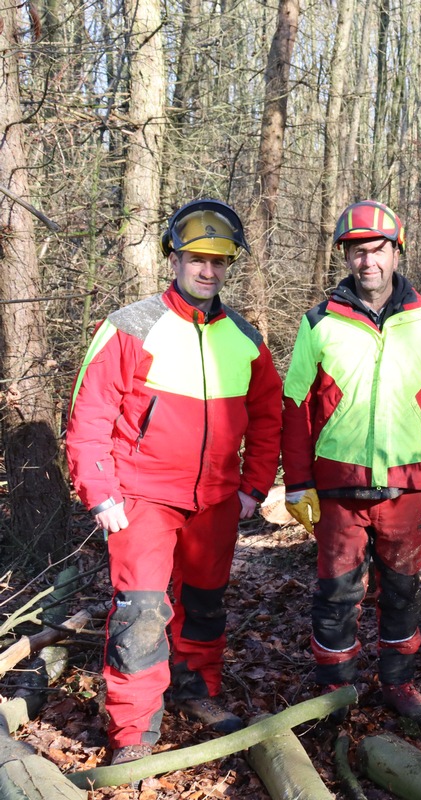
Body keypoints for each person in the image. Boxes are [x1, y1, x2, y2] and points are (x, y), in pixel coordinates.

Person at [65, 199, 282, 765]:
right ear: (175, 258)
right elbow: (89, 414)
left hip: (216, 500)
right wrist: (100, 489)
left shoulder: (245, 337)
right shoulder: (130, 326)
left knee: (205, 604)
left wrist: (254, 486)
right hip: (140, 497)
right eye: (196, 259)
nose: (207, 271)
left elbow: (268, 417)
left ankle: (195, 688)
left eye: (218, 261)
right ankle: (133, 732)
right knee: (140, 609)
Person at [281, 200, 421, 724]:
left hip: (406, 487)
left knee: (403, 590)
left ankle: (397, 682)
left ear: (395, 252)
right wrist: (297, 483)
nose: (368, 262)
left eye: (378, 249)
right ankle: (335, 688)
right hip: (340, 487)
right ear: (347, 256)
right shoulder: (319, 323)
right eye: (358, 251)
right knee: (337, 594)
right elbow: (295, 408)